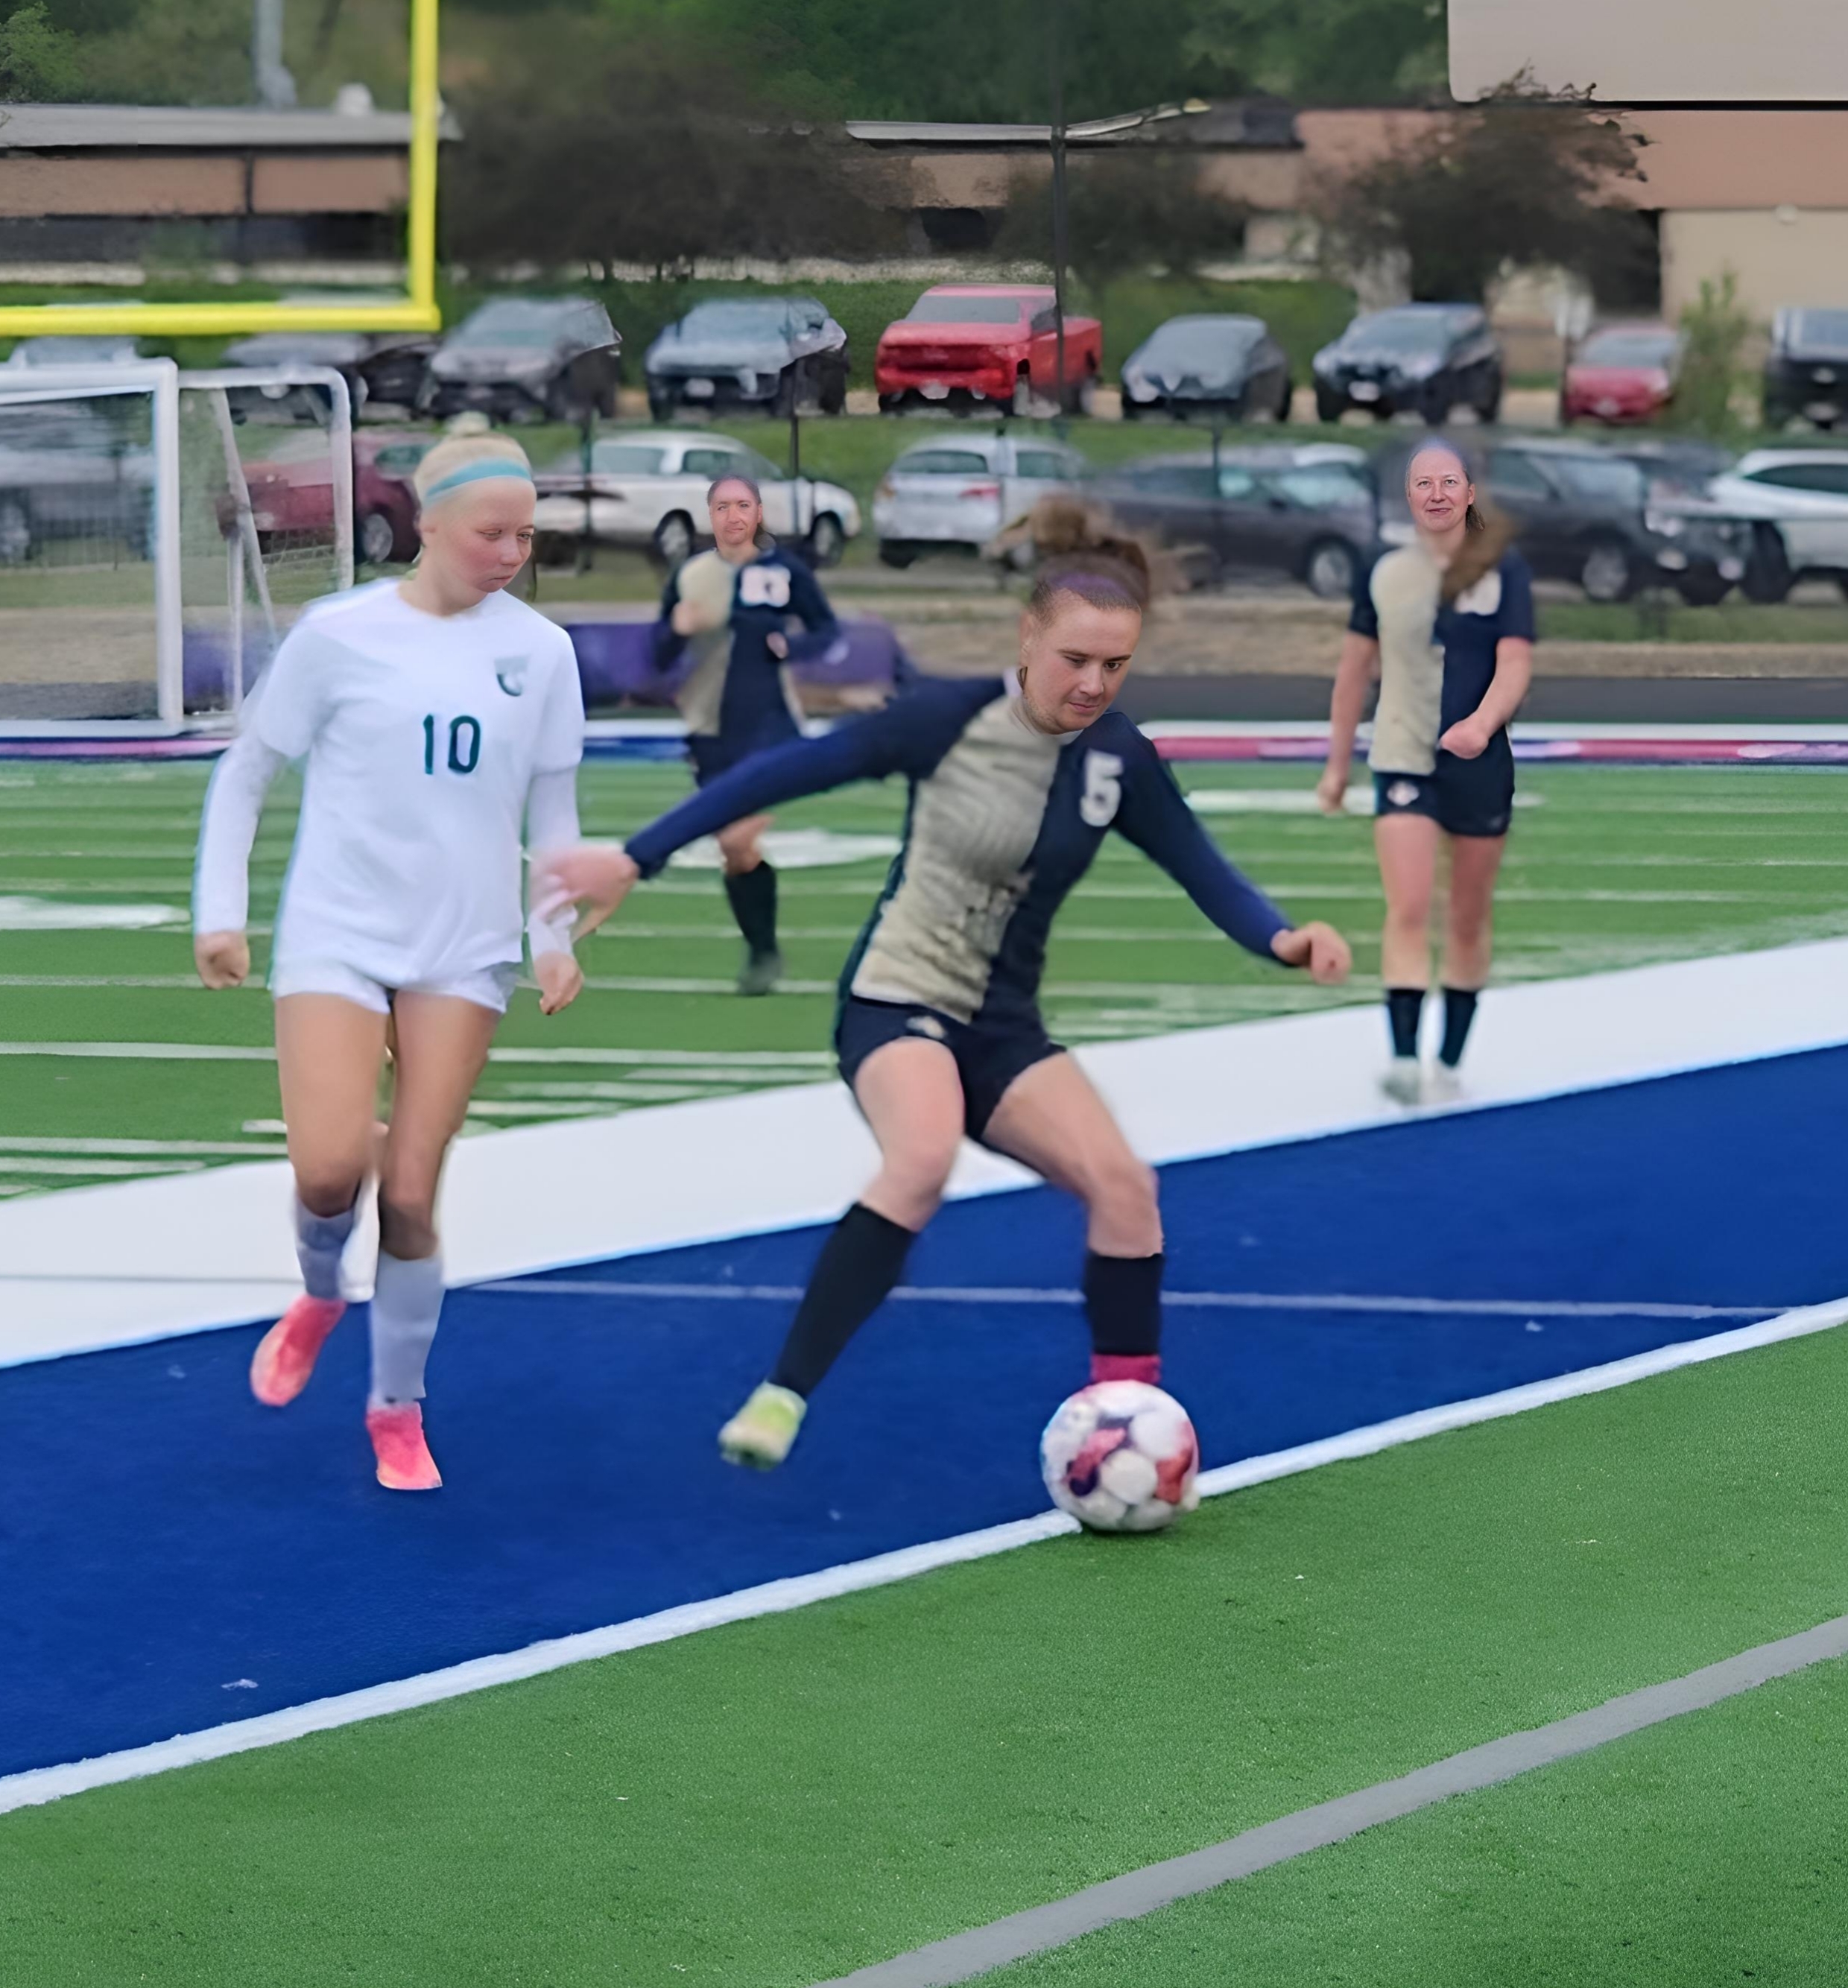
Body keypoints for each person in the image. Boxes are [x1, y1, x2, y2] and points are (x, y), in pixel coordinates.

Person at [548, 499, 1351, 1470]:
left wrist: (1284, 938)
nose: (1093, 683)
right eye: (1075, 660)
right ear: (1028, 638)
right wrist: (637, 856)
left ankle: (1128, 1424)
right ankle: (782, 1393)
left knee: (1126, 1190)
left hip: (1003, 1030)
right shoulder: (951, 718)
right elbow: (791, 771)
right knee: (923, 1157)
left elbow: (1204, 869)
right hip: (898, 1001)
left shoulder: (1118, 759)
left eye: (1115, 666)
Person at [192, 430, 586, 1492]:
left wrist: (553, 938)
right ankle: (321, 1290)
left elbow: (554, 810)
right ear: (431, 523)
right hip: (338, 933)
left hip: (467, 949)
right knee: (329, 1171)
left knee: (411, 1192)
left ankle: (397, 1407)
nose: (512, 553)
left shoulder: (543, 652)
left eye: (526, 536)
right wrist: (220, 915)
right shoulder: (340, 633)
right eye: (492, 532)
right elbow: (248, 772)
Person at [1314, 439, 1534, 1107]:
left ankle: (1451, 1056)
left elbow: (1515, 663)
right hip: (1403, 756)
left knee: (1467, 914)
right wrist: (1336, 764)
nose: (1436, 494)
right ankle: (1405, 1057)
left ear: (1469, 493)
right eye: (1422, 483)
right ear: (1408, 496)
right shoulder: (1384, 570)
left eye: (1449, 482)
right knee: (1408, 905)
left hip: (1479, 763)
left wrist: (1480, 725)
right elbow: (1354, 670)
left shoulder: (1502, 569)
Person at [648, 472, 840, 995]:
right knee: (735, 853)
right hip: (711, 726)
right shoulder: (692, 574)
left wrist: (792, 648)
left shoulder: (784, 571)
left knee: (738, 837)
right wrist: (676, 630)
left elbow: (826, 629)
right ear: (710, 516)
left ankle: (763, 954)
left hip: (770, 723)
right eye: (722, 507)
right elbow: (658, 654)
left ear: (758, 514)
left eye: (743, 506)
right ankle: (762, 950)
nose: (733, 516)